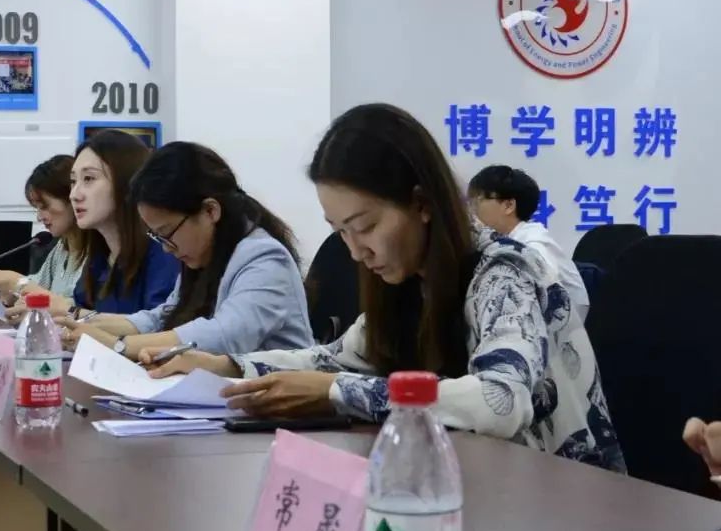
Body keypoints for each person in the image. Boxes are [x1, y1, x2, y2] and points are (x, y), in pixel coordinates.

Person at [141, 104, 625, 472]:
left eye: (365, 227)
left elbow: (500, 400)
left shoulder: (503, 270)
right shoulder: (408, 281)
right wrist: (226, 366)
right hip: (468, 485)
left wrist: (336, 392)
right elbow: (331, 359)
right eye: (341, 232)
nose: (356, 251)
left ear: (422, 203)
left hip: (561, 506)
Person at [58, 142, 313, 359]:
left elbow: (224, 336)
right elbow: (160, 318)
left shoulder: (265, 258)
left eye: (167, 233)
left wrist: (117, 346)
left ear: (210, 211)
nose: (166, 248)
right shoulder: (203, 257)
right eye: (157, 236)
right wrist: (82, 325)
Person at [67, 130, 180, 316]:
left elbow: (156, 326)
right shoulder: (100, 256)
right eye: (73, 181)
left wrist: (69, 312)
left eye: (89, 179)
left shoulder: (163, 252)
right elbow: (81, 307)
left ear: (126, 182)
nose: (74, 195)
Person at [467, 165, 590, 321]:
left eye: (478, 200)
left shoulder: (533, 245)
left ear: (508, 206)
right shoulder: (501, 243)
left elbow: (545, 298)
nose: (471, 210)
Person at [0, 155, 89, 304]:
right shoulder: (62, 248)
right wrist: (11, 292)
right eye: (36, 208)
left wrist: (15, 281)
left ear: (72, 198)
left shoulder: (99, 253)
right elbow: (37, 285)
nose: (39, 217)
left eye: (44, 206)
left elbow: (79, 310)